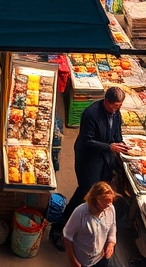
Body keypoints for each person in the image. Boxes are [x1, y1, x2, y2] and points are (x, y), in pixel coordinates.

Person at [54, 87, 127, 250]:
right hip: (89, 157)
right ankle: (60, 227)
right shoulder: (91, 114)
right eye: (114, 106)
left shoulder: (116, 113)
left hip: (105, 156)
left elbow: (117, 132)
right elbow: (87, 140)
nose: (116, 109)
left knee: (100, 189)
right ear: (106, 101)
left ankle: (85, 225)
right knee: (85, 190)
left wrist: (120, 144)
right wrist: (110, 147)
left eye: (119, 106)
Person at [62, 182, 117, 267]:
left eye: (110, 203)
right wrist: (73, 261)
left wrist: (111, 243)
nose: (109, 206)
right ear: (95, 201)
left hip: (101, 257)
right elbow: (67, 237)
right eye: (105, 203)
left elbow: (112, 226)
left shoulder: (109, 208)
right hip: (83, 261)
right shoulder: (80, 213)